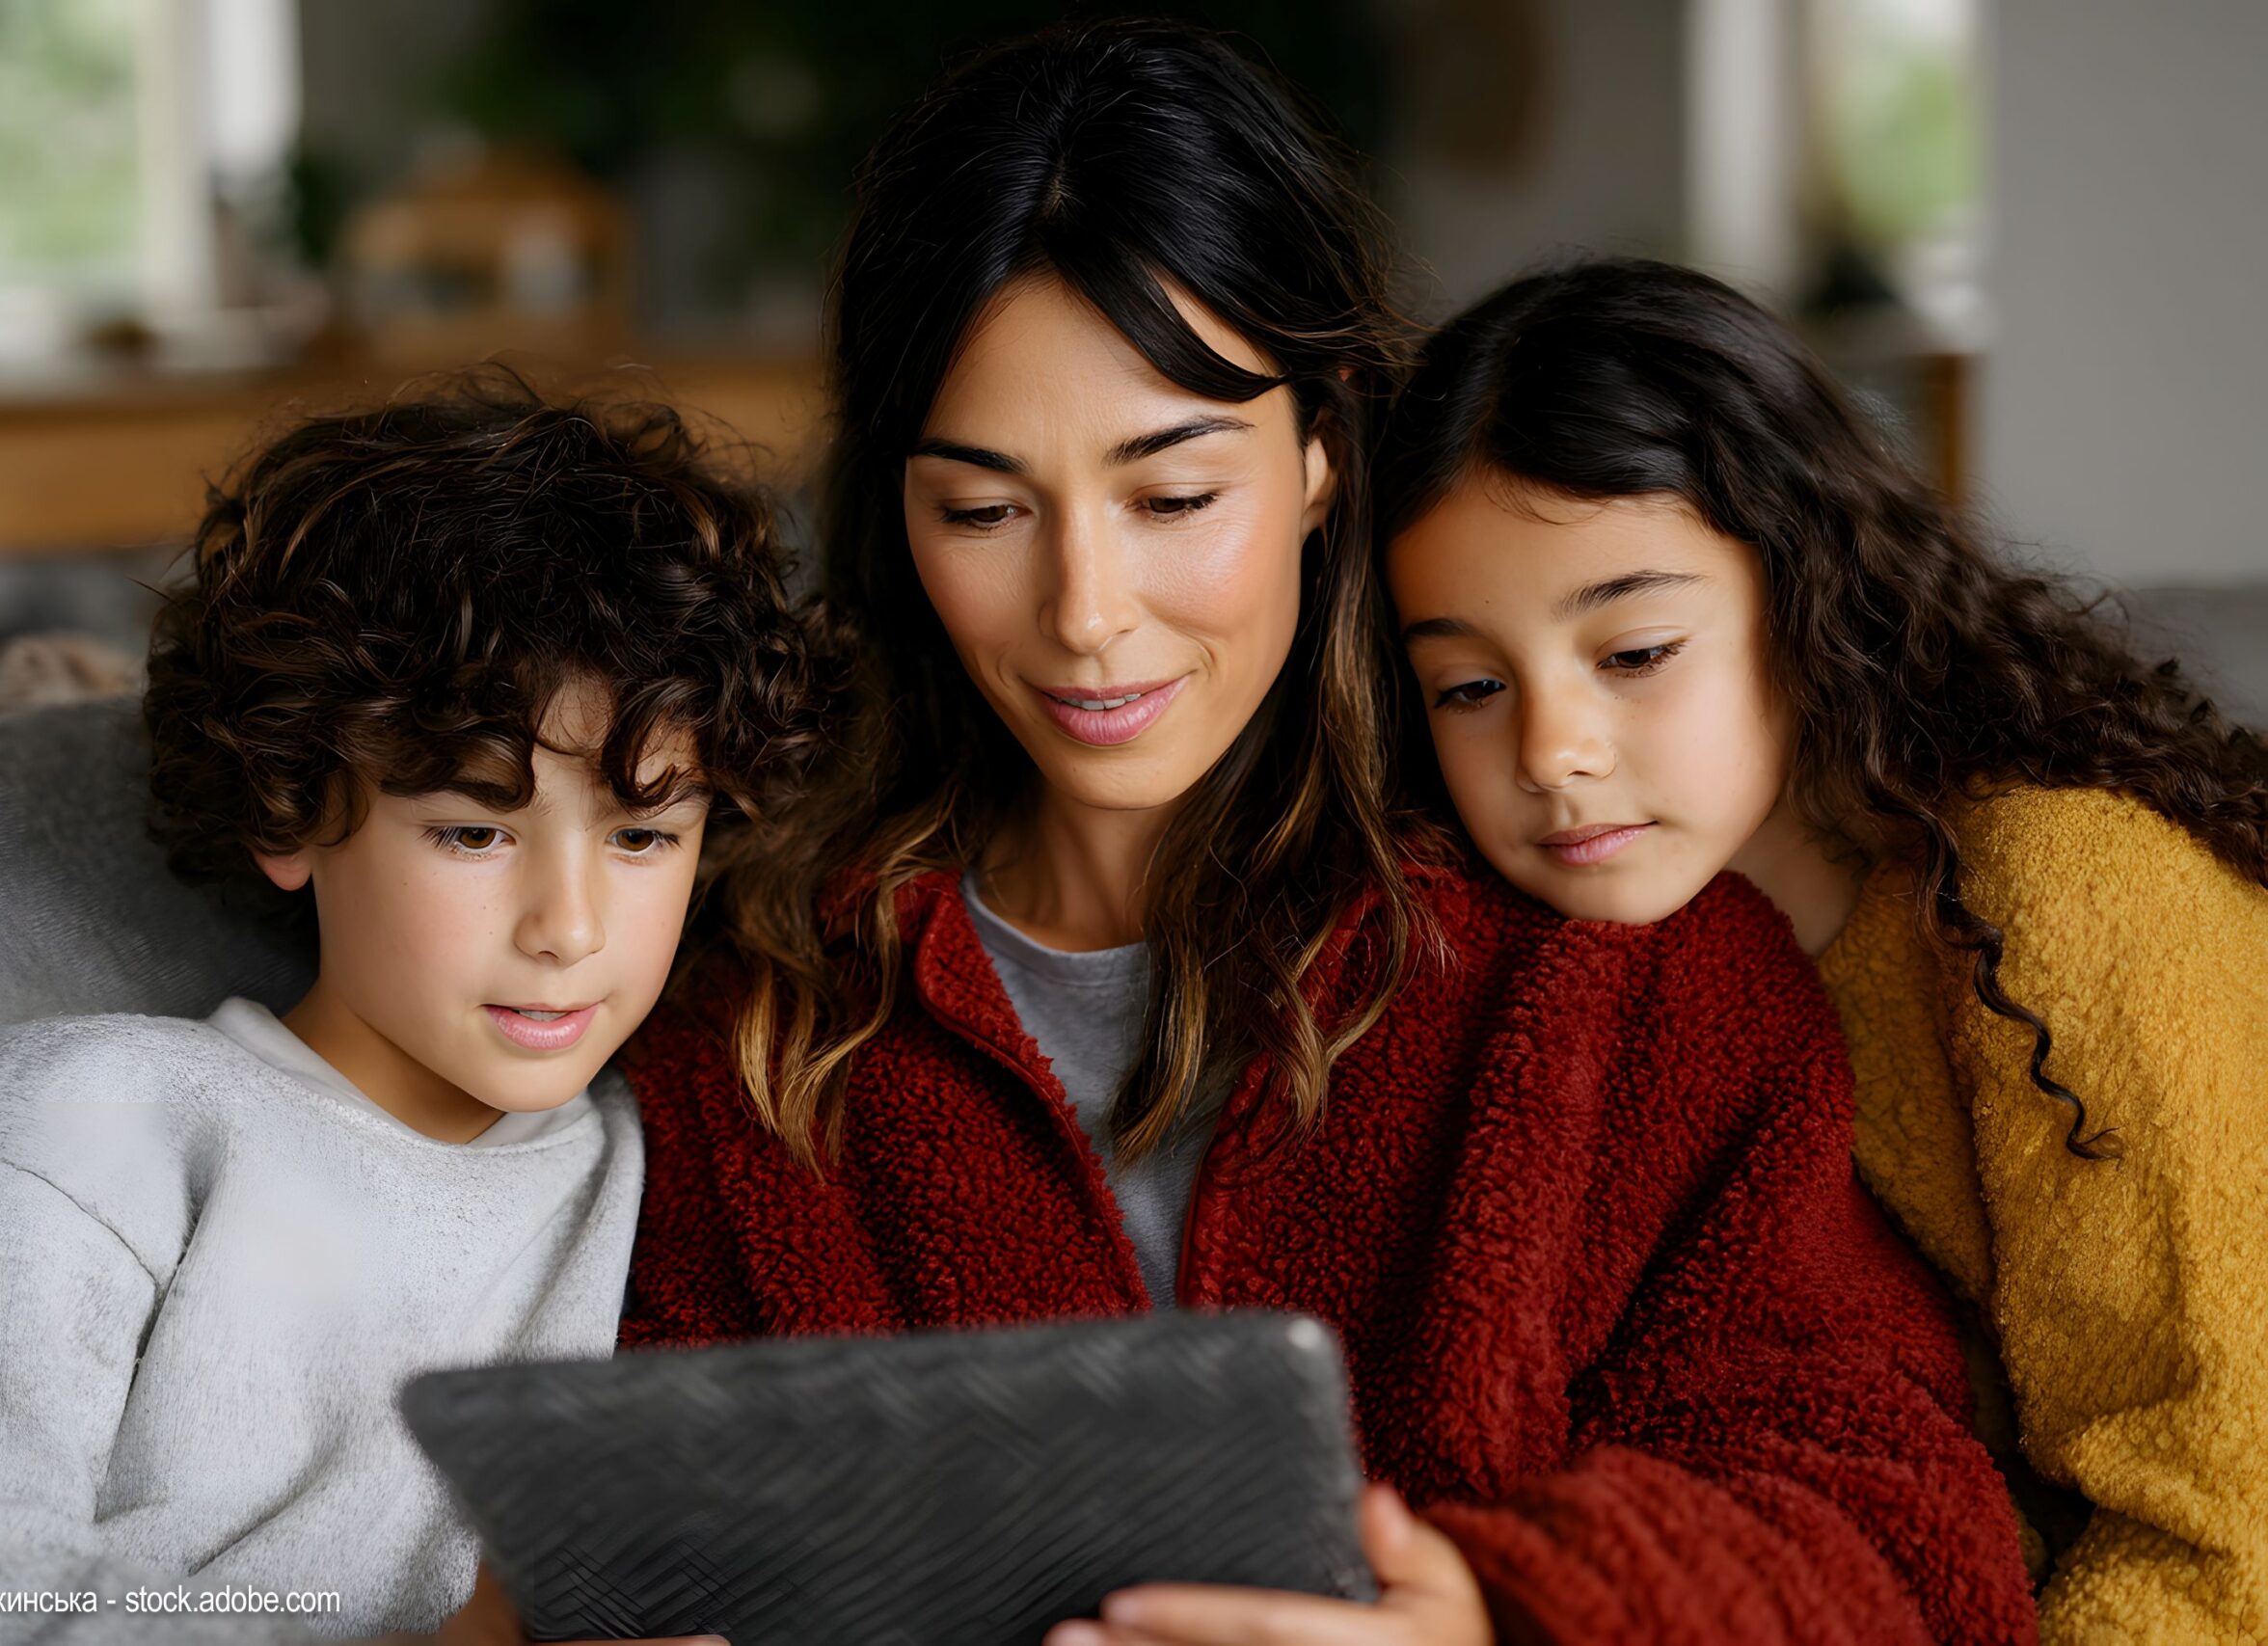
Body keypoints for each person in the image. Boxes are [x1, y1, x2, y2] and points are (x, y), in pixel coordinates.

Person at [618, 23, 2038, 1645]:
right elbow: (638, 1495)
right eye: (985, 510)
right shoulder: (751, 1008)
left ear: (1320, 455)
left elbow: (1906, 1534)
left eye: (1171, 496)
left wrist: (1505, 1617)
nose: (1086, 615)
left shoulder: (1608, 971)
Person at [0, 377, 817, 1644]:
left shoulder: (687, 1167)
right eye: (472, 829)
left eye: (645, 833)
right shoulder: (55, 1135)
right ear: (290, 806)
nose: (570, 926)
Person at [1375, 256, 2268, 1644]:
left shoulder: (2049, 891)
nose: (1551, 752)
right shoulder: (1574, 971)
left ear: (1800, 593)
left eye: (1635, 651)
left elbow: (2230, 1529)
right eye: (1472, 686)